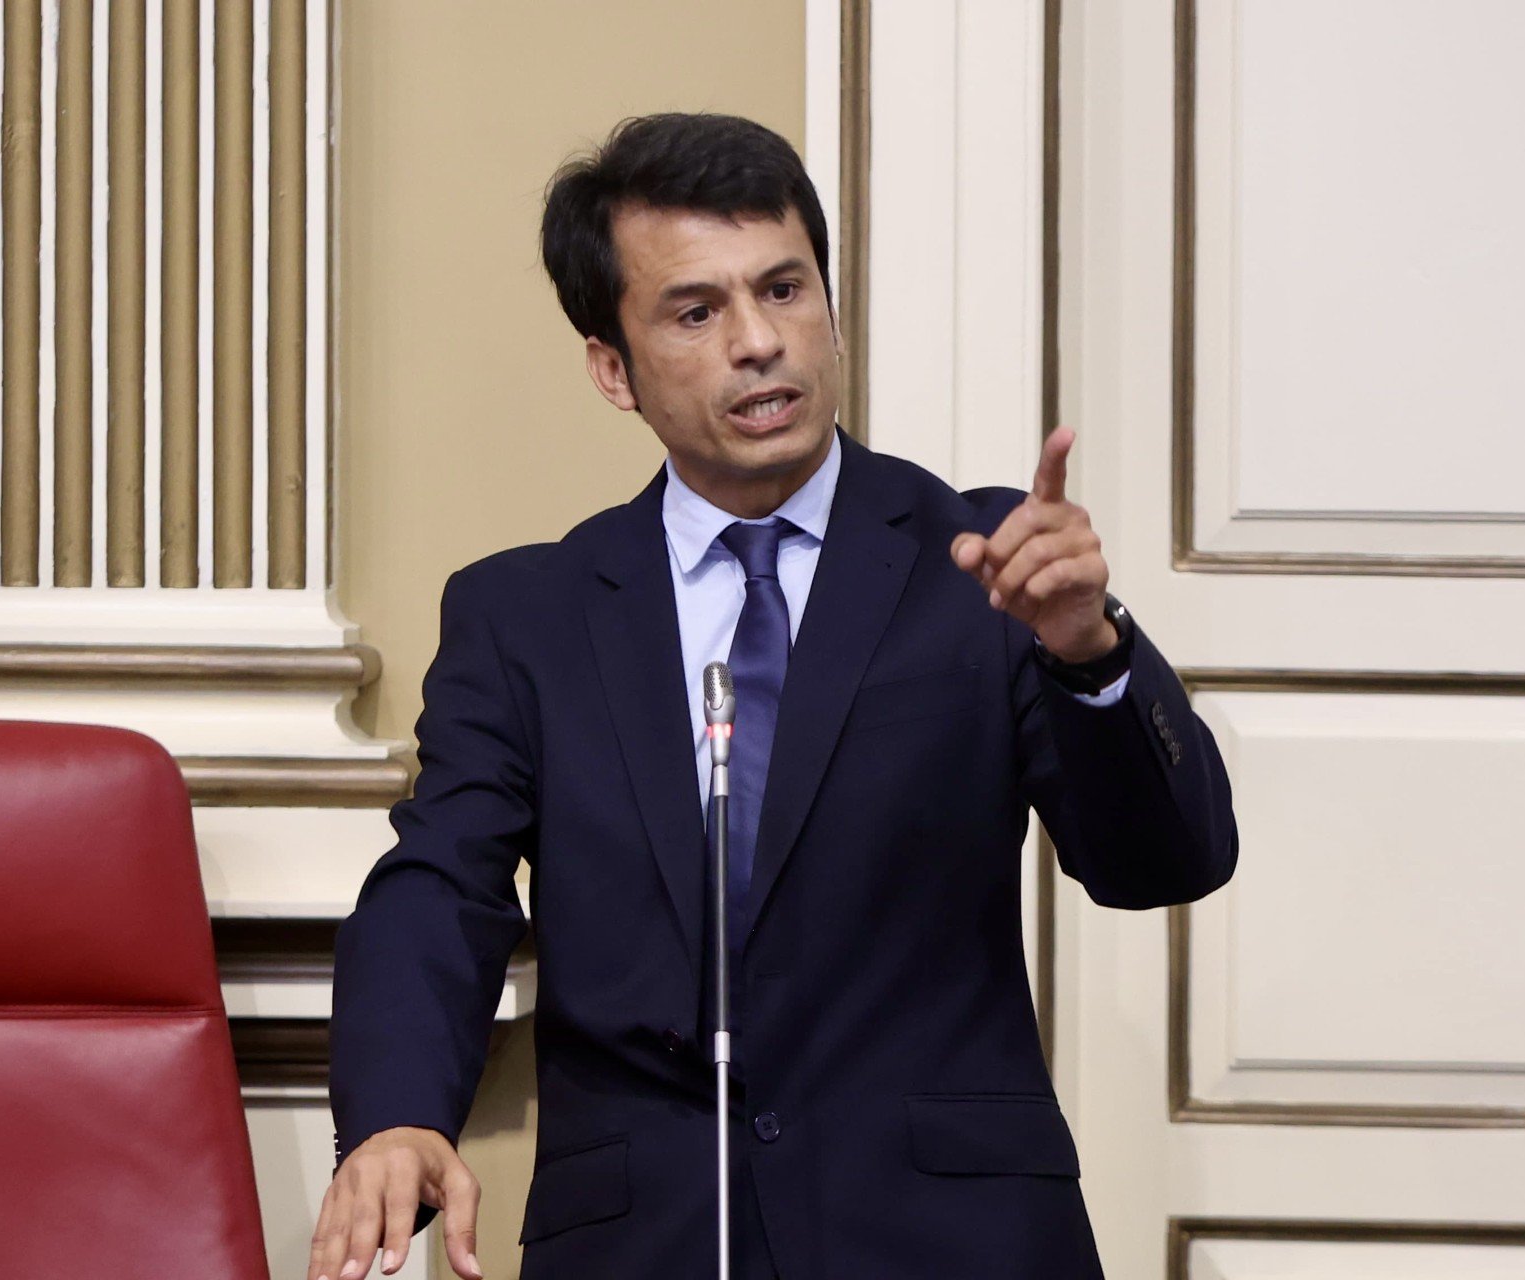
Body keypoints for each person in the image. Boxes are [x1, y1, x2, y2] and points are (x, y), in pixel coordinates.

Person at [313, 112, 1238, 1280]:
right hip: (647, 1243)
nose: (759, 341)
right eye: (697, 311)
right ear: (614, 365)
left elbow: (1168, 861)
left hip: (950, 1242)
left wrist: (1087, 652)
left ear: (830, 311)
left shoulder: (984, 568)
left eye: (785, 290)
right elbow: (441, 886)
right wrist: (396, 1113)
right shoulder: (528, 617)